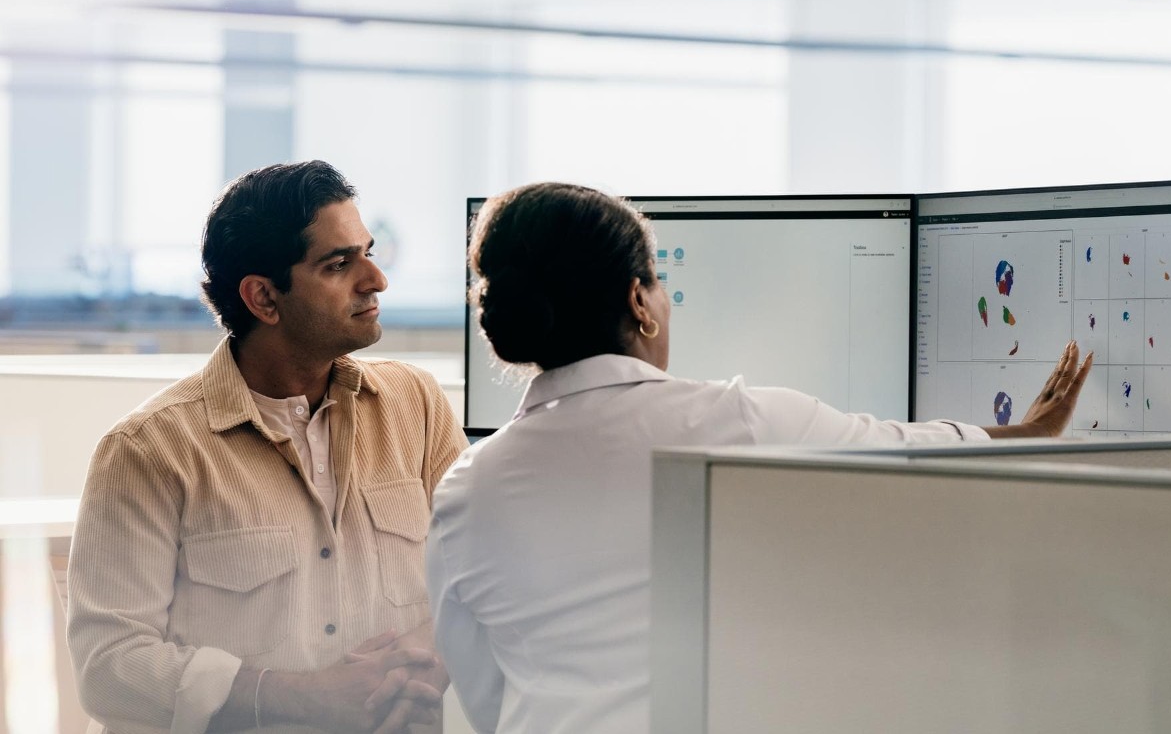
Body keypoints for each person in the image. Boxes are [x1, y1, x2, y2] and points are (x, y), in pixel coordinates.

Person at [427, 181, 1093, 734]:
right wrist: (1033, 430)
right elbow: (912, 451)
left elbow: (485, 699)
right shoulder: (741, 421)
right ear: (639, 302)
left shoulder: (464, 490)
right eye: (658, 283)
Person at [67, 161, 468, 734]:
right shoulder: (147, 451)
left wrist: (417, 668)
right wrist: (303, 699)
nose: (376, 279)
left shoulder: (417, 405)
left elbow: (472, 583)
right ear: (263, 298)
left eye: (369, 251)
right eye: (339, 264)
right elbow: (109, 668)